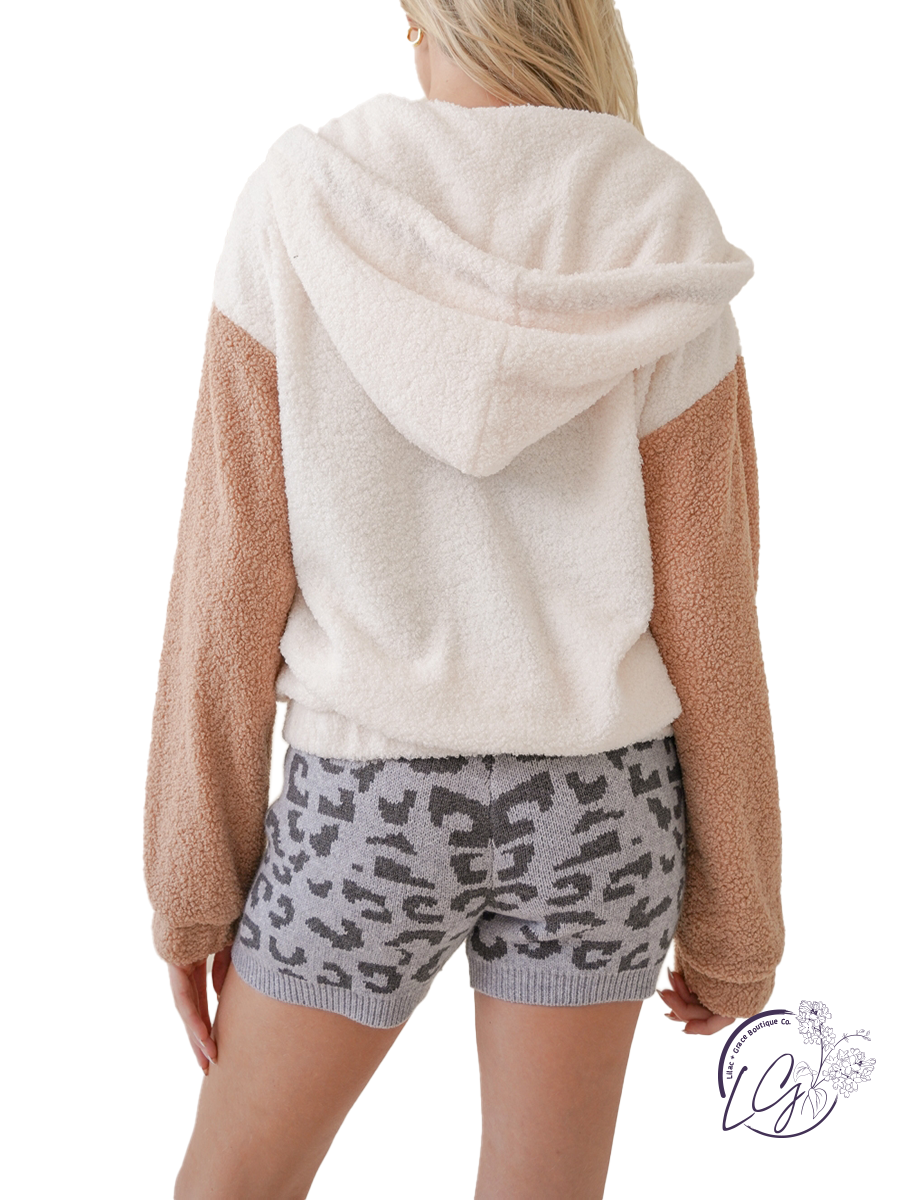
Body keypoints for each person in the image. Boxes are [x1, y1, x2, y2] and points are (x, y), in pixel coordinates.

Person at [143, 2, 785, 1196]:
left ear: (415, 17)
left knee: (232, 1185)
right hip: (601, 811)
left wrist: (193, 887)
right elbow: (710, 606)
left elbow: (227, 582)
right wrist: (738, 914)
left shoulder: (305, 202)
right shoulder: (652, 215)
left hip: (363, 802)